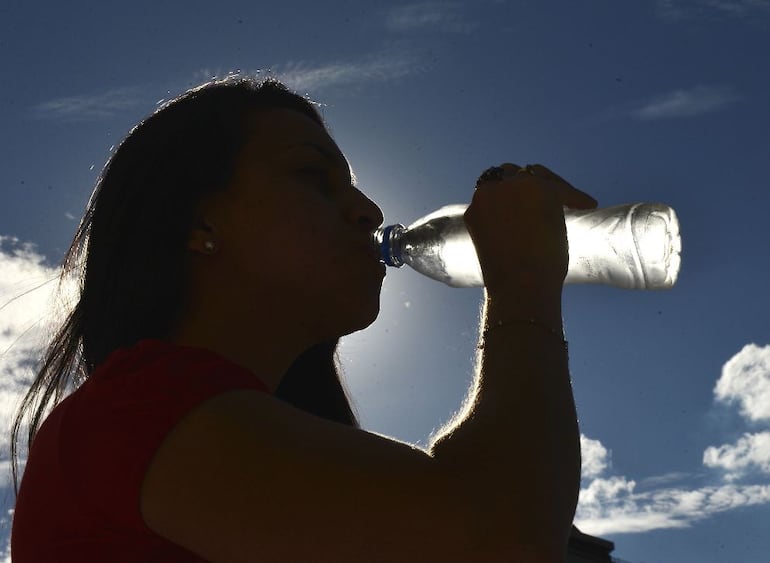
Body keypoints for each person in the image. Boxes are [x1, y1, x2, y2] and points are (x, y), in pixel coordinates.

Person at [10, 76, 597, 562]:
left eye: (356, 187)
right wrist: (522, 279)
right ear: (200, 224)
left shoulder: (228, 437)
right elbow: (498, 538)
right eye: (311, 177)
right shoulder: (131, 414)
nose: (368, 211)